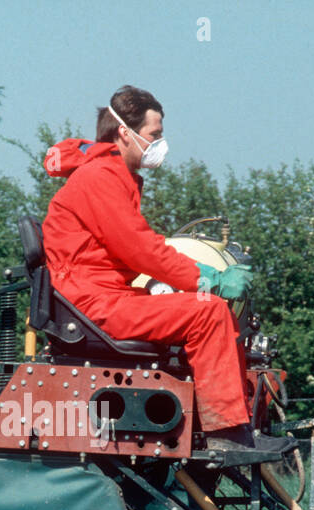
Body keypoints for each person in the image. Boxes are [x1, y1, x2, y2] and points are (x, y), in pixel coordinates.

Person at [41, 85, 257, 450]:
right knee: (210, 313)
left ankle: (212, 424)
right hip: (96, 305)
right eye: (155, 134)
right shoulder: (100, 178)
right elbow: (143, 250)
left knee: (197, 308)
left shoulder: (109, 176)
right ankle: (228, 435)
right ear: (125, 132)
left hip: (99, 299)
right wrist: (210, 281)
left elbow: (139, 250)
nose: (161, 143)